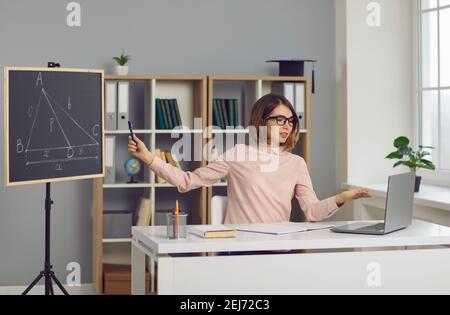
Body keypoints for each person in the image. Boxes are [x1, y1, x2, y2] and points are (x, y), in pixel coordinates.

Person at [128, 94, 371, 224]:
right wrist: (149, 158)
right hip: (240, 248)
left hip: (277, 250)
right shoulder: (237, 154)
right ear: (261, 120)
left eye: (290, 121)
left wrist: (343, 198)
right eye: (279, 119)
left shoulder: (296, 164)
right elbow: (187, 181)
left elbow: (313, 212)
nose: (286, 126)